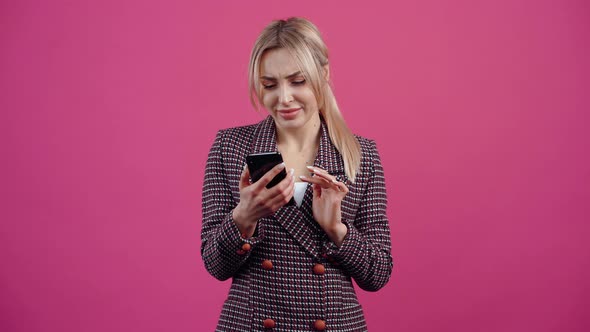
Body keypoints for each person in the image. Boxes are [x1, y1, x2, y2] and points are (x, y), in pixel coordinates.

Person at [201, 17, 393, 331]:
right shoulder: (230, 147)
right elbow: (215, 265)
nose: (284, 98)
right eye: (270, 85)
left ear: (324, 74)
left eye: (298, 81)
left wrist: (336, 228)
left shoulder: (360, 155)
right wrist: (244, 217)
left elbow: (378, 273)